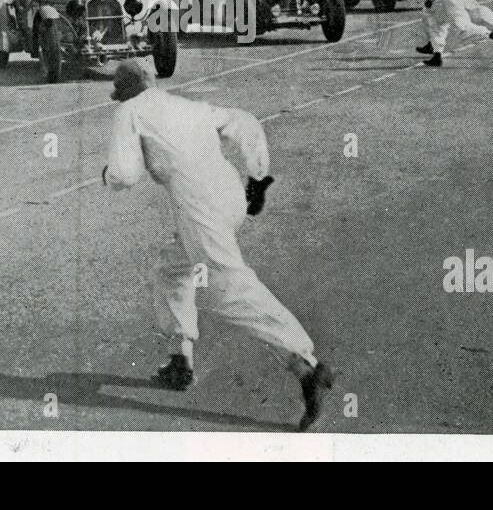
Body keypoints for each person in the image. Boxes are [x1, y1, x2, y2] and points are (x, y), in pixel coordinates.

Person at [102, 61, 334, 431]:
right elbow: (245, 122)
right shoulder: (187, 106)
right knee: (172, 269)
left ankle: (306, 364)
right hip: (228, 196)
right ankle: (180, 358)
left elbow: (124, 174)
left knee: (226, 291)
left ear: (123, 92)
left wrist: (108, 177)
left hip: (200, 211)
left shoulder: (128, 112)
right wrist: (257, 177)